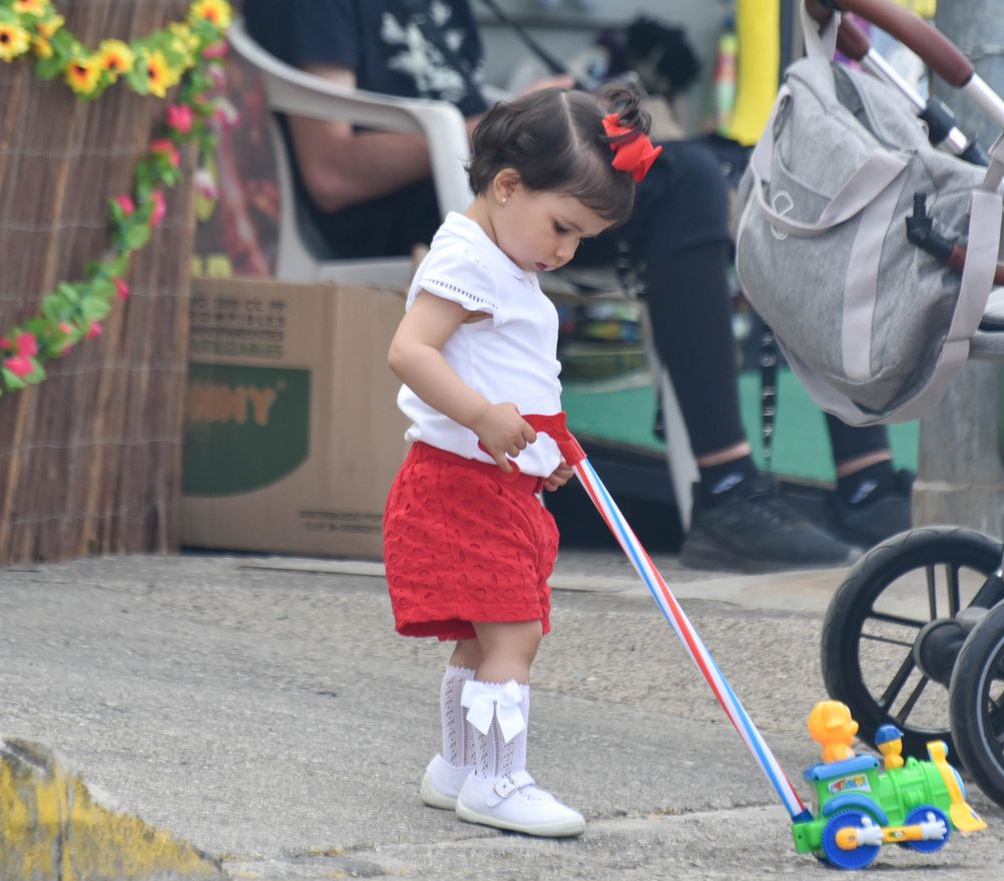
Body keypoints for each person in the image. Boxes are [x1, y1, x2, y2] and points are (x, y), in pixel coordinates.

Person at [242, 0, 910, 570]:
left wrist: (555, 118)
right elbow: (331, 172)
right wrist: (500, 128)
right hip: (423, 202)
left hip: (501, 179)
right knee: (691, 184)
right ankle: (726, 487)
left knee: (764, 173)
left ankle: (864, 478)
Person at [382, 81, 655, 837]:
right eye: (562, 228)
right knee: (514, 631)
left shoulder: (506, 263)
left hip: (492, 481)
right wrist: (479, 416)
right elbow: (409, 349)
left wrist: (542, 451)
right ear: (507, 187)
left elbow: (514, 378)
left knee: (482, 629)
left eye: (581, 241)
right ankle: (498, 781)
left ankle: (459, 768)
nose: (567, 251)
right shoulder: (468, 259)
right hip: (460, 484)